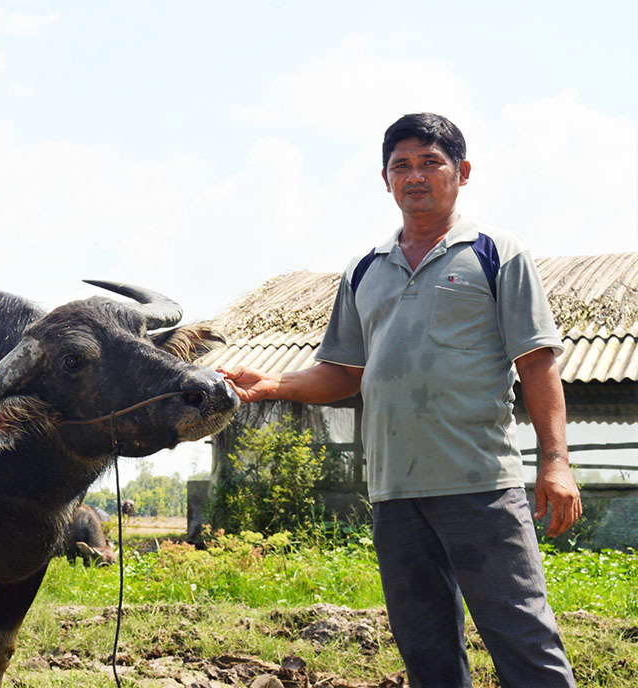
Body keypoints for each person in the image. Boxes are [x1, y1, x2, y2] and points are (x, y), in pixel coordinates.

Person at [221, 113, 581, 687]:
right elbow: (342, 370)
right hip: (394, 492)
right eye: (401, 165)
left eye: (430, 162)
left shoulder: (495, 252)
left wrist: (556, 463)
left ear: (462, 172)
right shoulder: (365, 268)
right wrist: (269, 384)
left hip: (480, 485)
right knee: (427, 653)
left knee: (523, 642)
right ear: (384, 179)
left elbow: (537, 362)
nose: (415, 176)